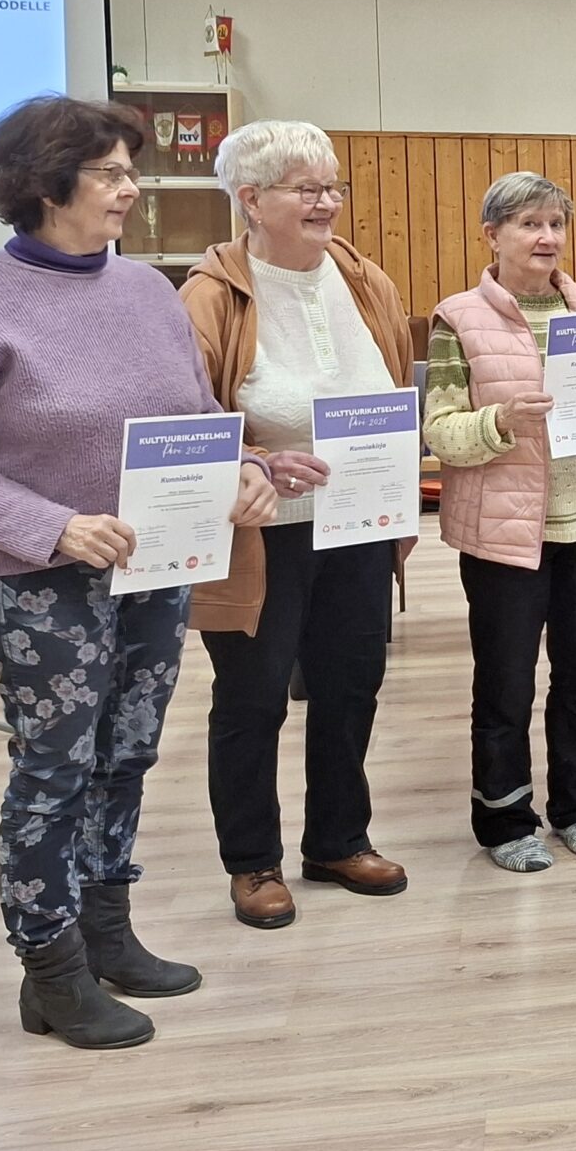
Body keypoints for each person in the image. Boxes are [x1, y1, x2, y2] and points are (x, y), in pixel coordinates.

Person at [0, 95, 276, 1050]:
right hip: (42, 585)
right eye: (110, 173)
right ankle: (50, 967)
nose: (130, 189)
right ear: (44, 184)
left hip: (158, 571)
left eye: (128, 171)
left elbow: (195, 417)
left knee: (128, 755)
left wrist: (242, 467)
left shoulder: (147, 292)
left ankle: (107, 932)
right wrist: (54, 527)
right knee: (54, 770)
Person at [182, 120, 416, 930]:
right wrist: (255, 459)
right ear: (250, 199)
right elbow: (186, 420)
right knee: (253, 699)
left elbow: (394, 390)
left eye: (332, 187)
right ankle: (252, 861)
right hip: (261, 533)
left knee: (352, 685)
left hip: (358, 520)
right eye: (306, 189)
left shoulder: (364, 279)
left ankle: (338, 840)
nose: (327, 203)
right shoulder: (209, 295)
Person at [424, 173, 576, 872]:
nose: (547, 237)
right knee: (506, 684)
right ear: (491, 236)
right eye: (529, 224)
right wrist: (500, 421)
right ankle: (504, 820)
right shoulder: (458, 319)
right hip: (502, 534)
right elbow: (440, 432)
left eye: (555, 223)